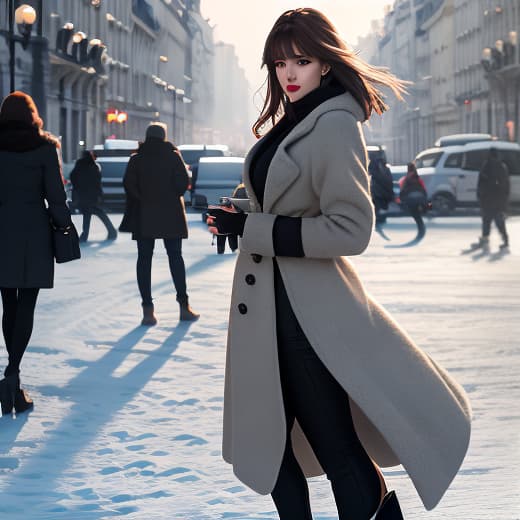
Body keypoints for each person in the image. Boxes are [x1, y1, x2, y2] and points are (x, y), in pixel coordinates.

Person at [206, 8, 471, 519]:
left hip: (308, 317)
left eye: (301, 61)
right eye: (279, 62)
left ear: (325, 64)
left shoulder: (333, 124)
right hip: (269, 312)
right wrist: (239, 214)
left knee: (334, 446)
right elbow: (288, 202)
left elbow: (351, 228)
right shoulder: (295, 120)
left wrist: (256, 230)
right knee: (269, 448)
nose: (288, 73)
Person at [0, 91, 72, 415]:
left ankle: (11, 383)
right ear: (33, 115)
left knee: (8, 303)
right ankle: (12, 375)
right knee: (27, 302)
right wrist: (64, 225)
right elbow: (55, 195)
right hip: (33, 231)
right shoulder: (45, 147)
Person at [120, 122, 199, 325]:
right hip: (171, 213)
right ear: (164, 136)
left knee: (144, 260)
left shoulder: (136, 159)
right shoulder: (173, 156)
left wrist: (144, 199)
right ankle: (184, 307)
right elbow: (183, 184)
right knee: (175, 257)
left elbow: (128, 184)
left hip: (144, 215)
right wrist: (169, 196)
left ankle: (148, 311)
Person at [69, 150, 117, 242]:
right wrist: (100, 195)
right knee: (99, 213)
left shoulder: (79, 165)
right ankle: (111, 231)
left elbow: (73, 176)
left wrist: (77, 186)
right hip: (93, 195)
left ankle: (85, 235)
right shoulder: (94, 166)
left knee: (87, 215)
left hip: (83, 194)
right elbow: (97, 182)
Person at [471, 147, 510, 252]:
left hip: (487, 199)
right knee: (499, 222)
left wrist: (479, 196)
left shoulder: (486, 166)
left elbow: (481, 183)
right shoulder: (502, 167)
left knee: (486, 220)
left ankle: (485, 239)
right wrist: (504, 200)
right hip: (498, 199)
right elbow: (506, 186)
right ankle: (505, 241)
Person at [398, 162, 428, 241]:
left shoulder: (406, 179)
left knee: (416, 215)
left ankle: (421, 230)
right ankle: (421, 229)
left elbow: (402, 189)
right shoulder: (418, 178)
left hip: (411, 199)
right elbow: (424, 189)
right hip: (420, 198)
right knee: (418, 215)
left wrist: (401, 199)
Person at [368, 157, 394, 225]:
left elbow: (388, 181)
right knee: (378, 207)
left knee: (381, 207)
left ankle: (380, 219)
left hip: (382, 192)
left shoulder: (382, 171)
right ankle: (378, 219)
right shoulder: (378, 171)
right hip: (379, 193)